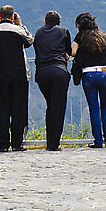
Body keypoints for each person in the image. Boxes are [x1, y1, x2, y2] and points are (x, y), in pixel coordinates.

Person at [0, 5, 34, 152]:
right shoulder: (19, 30)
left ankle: (2, 144)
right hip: (19, 75)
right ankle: (17, 143)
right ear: (13, 16)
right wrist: (20, 24)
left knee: (2, 109)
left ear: (0, 16)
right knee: (18, 109)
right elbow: (30, 41)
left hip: (1, 74)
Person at [71, 12, 106, 148]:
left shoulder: (80, 37)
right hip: (105, 73)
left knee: (93, 108)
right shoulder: (103, 36)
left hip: (89, 75)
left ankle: (98, 141)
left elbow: (73, 52)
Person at [33, 11, 72, 151]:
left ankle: (50, 140)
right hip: (59, 71)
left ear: (45, 21)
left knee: (50, 106)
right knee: (58, 108)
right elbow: (69, 50)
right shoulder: (63, 31)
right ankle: (53, 143)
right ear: (59, 21)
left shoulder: (38, 32)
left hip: (42, 73)